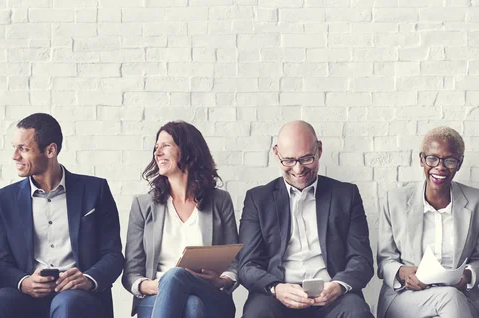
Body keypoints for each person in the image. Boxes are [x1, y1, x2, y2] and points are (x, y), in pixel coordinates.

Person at [0, 113, 124, 318]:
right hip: (27, 296)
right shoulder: (4, 200)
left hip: (78, 296)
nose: (15, 156)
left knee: (68, 303)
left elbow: (113, 255)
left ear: (50, 150)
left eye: (24, 149)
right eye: (15, 147)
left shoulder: (95, 190)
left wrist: (88, 279)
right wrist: (25, 282)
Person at [238, 120, 374, 318]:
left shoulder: (346, 194)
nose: (298, 169)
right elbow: (247, 265)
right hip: (277, 296)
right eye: (289, 160)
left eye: (306, 159)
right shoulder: (258, 199)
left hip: (333, 296)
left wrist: (338, 286)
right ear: (276, 153)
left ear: (319, 149)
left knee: (358, 313)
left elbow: (361, 259)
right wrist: (277, 288)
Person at [122, 121, 239, 318]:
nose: (157, 153)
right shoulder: (143, 206)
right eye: (156, 147)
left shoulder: (220, 201)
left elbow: (235, 262)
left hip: (209, 294)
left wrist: (220, 281)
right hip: (156, 297)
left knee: (177, 276)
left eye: (165, 146)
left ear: (187, 150)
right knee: (191, 304)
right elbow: (131, 273)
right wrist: (155, 285)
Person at [377, 126, 479, 318]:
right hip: (406, 297)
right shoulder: (395, 201)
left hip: (462, 296)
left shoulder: (475, 202)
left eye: (449, 160)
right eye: (432, 158)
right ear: (421, 159)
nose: (440, 167)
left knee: (451, 297)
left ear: (459, 163)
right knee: (449, 298)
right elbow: (385, 260)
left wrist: (468, 275)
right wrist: (402, 272)